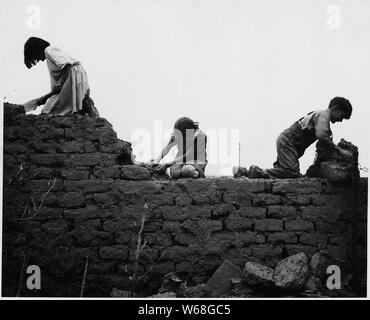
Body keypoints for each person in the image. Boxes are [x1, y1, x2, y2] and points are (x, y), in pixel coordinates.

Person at [233, 97, 353, 179]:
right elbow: (322, 136)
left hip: (290, 146)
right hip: (287, 142)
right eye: (341, 116)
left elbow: (324, 142)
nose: (340, 121)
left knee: (283, 174)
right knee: (292, 173)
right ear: (336, 108)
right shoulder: (323, 115)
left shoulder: (324, 121)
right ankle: (253, 171)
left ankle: (244, 172)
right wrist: (340, 151)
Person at [23, 37, 99, 116]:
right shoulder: (50, 56)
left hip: (72, 77)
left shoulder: (49, 50)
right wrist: (42, 99)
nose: (40, 60)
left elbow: (66, 65)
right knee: (63, 104)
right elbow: (57, 89)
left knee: (53, 110)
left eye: (37, 56)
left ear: (37, 50)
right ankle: (86, 108)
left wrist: (59, 84)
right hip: (73, 77)